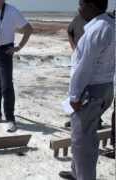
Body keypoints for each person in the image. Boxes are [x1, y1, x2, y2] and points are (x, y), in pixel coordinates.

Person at [59, 0, 115, 179]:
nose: (78, 7)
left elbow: (84, 67)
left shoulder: (97, 29)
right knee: (81, 137)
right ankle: (77, 172)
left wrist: (74, 96)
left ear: (91, 6)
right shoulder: (110, 23)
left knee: (83, 142)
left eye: (81, 3)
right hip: (104, 87)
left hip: (90, 90)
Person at [0, 0, 33, 132]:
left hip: (5, 51)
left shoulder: (12, 11)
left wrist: (18, 47)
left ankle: (10, 119)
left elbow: (28, 29)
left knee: (6, 86)